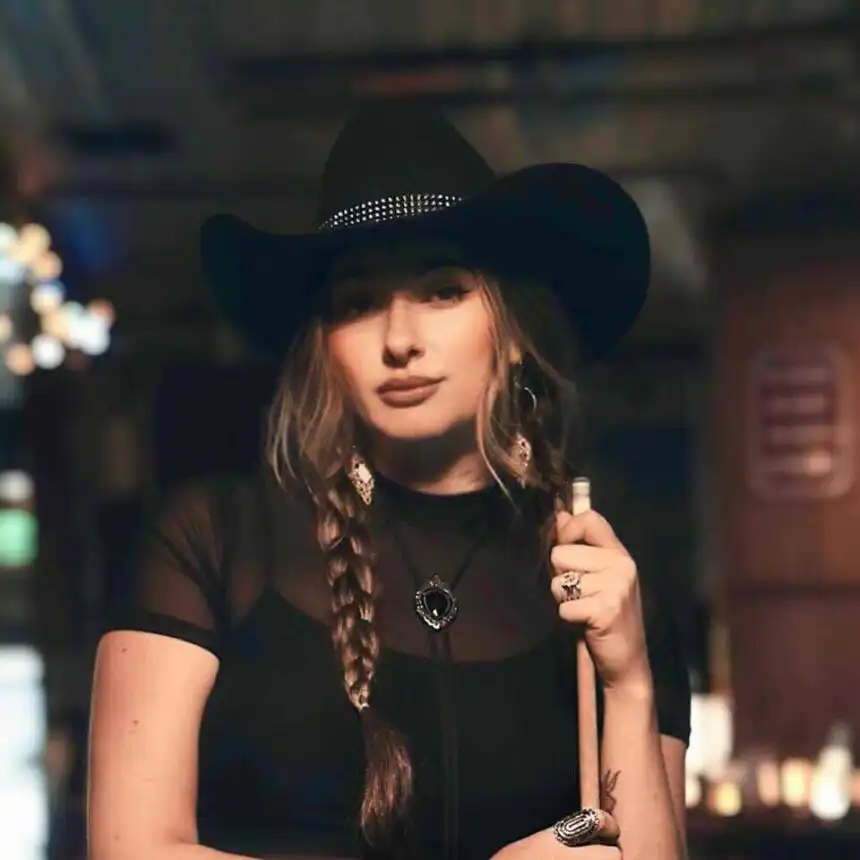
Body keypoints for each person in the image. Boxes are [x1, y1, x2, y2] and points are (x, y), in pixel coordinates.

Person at [87, 106, 691, 860]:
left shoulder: (600, 578)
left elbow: (619, 848)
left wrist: (629, 683)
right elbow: (129, 850)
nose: (400, 340)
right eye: (359, 302)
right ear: (325, 347)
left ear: (511, 338)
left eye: (443, 290)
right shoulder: (213, 537)